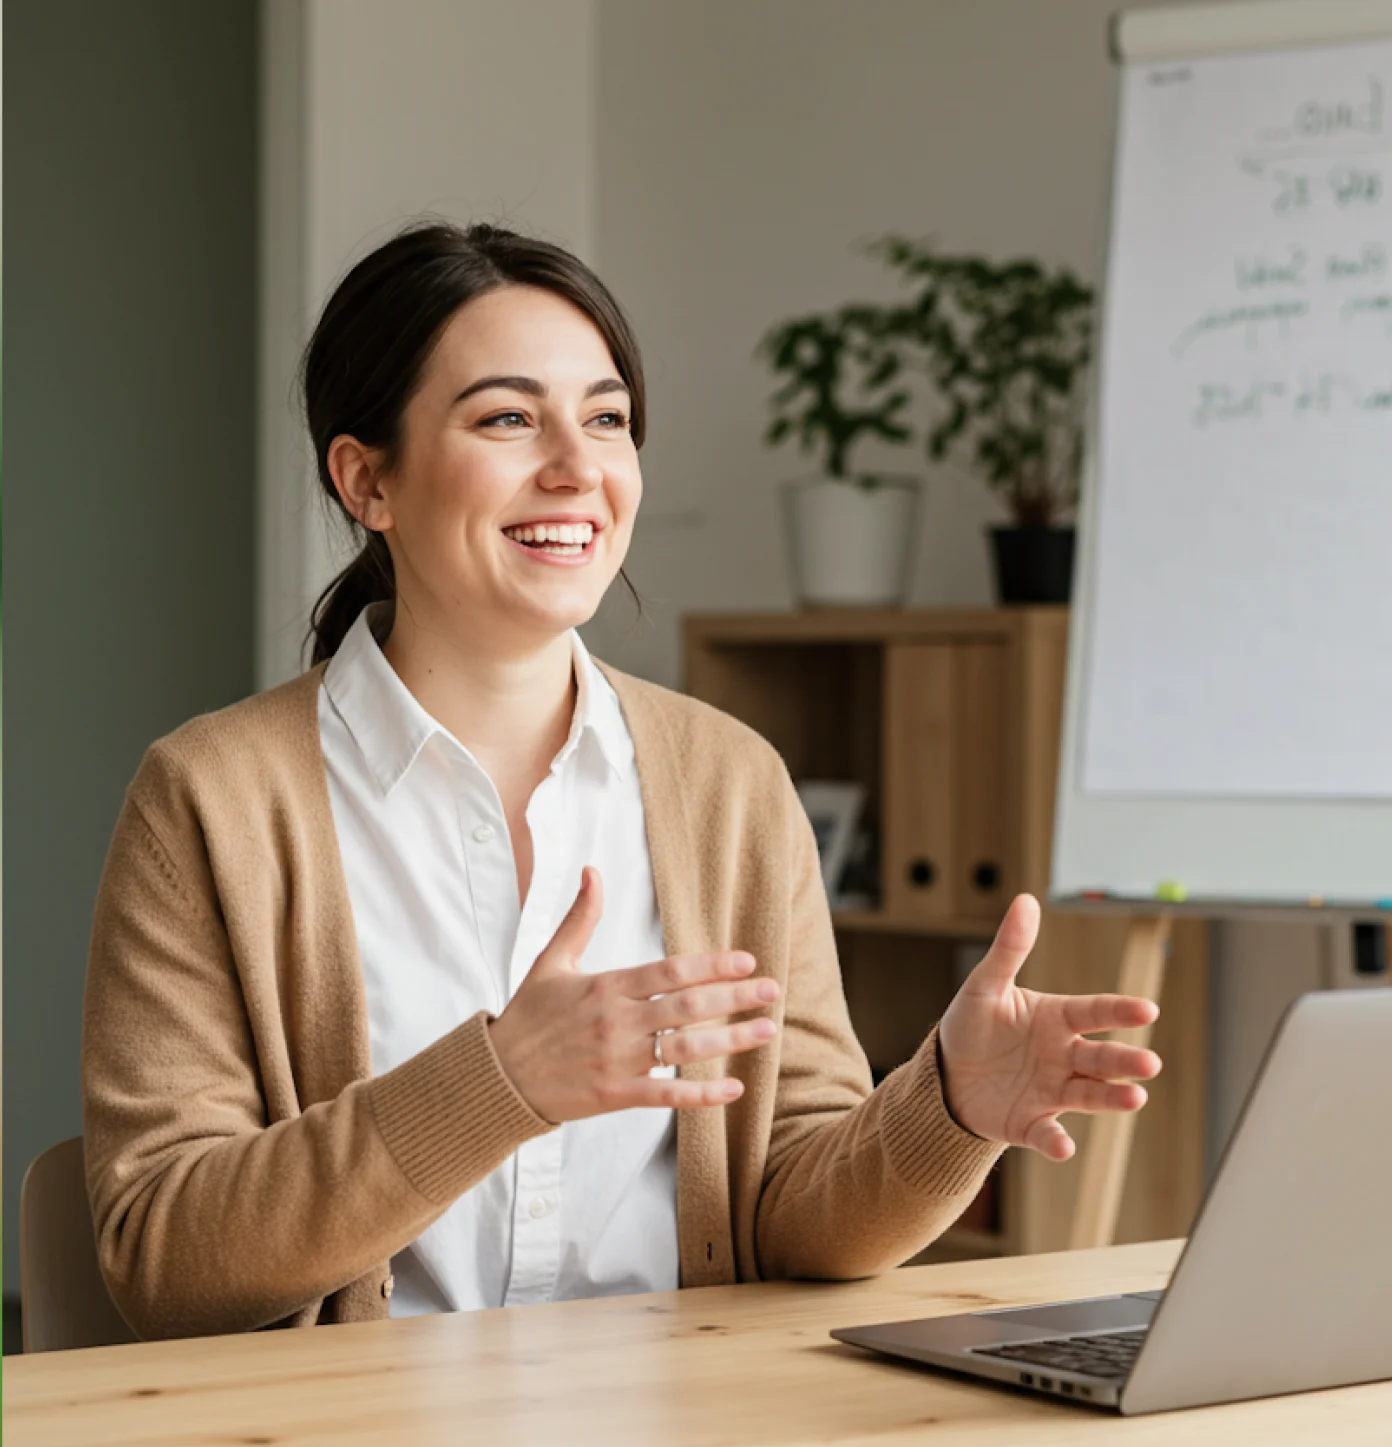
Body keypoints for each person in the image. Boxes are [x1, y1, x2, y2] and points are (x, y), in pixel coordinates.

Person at [82, 222, 1161, 1340]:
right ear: (367, 482)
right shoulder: (209, 801)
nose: (578, 468)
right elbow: (161, 1255)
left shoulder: (729, 782)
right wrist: (499, 1082)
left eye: (607, 420)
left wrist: (947, 1107)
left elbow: (793, 1203)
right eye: (508, 418)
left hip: (681, 1440)